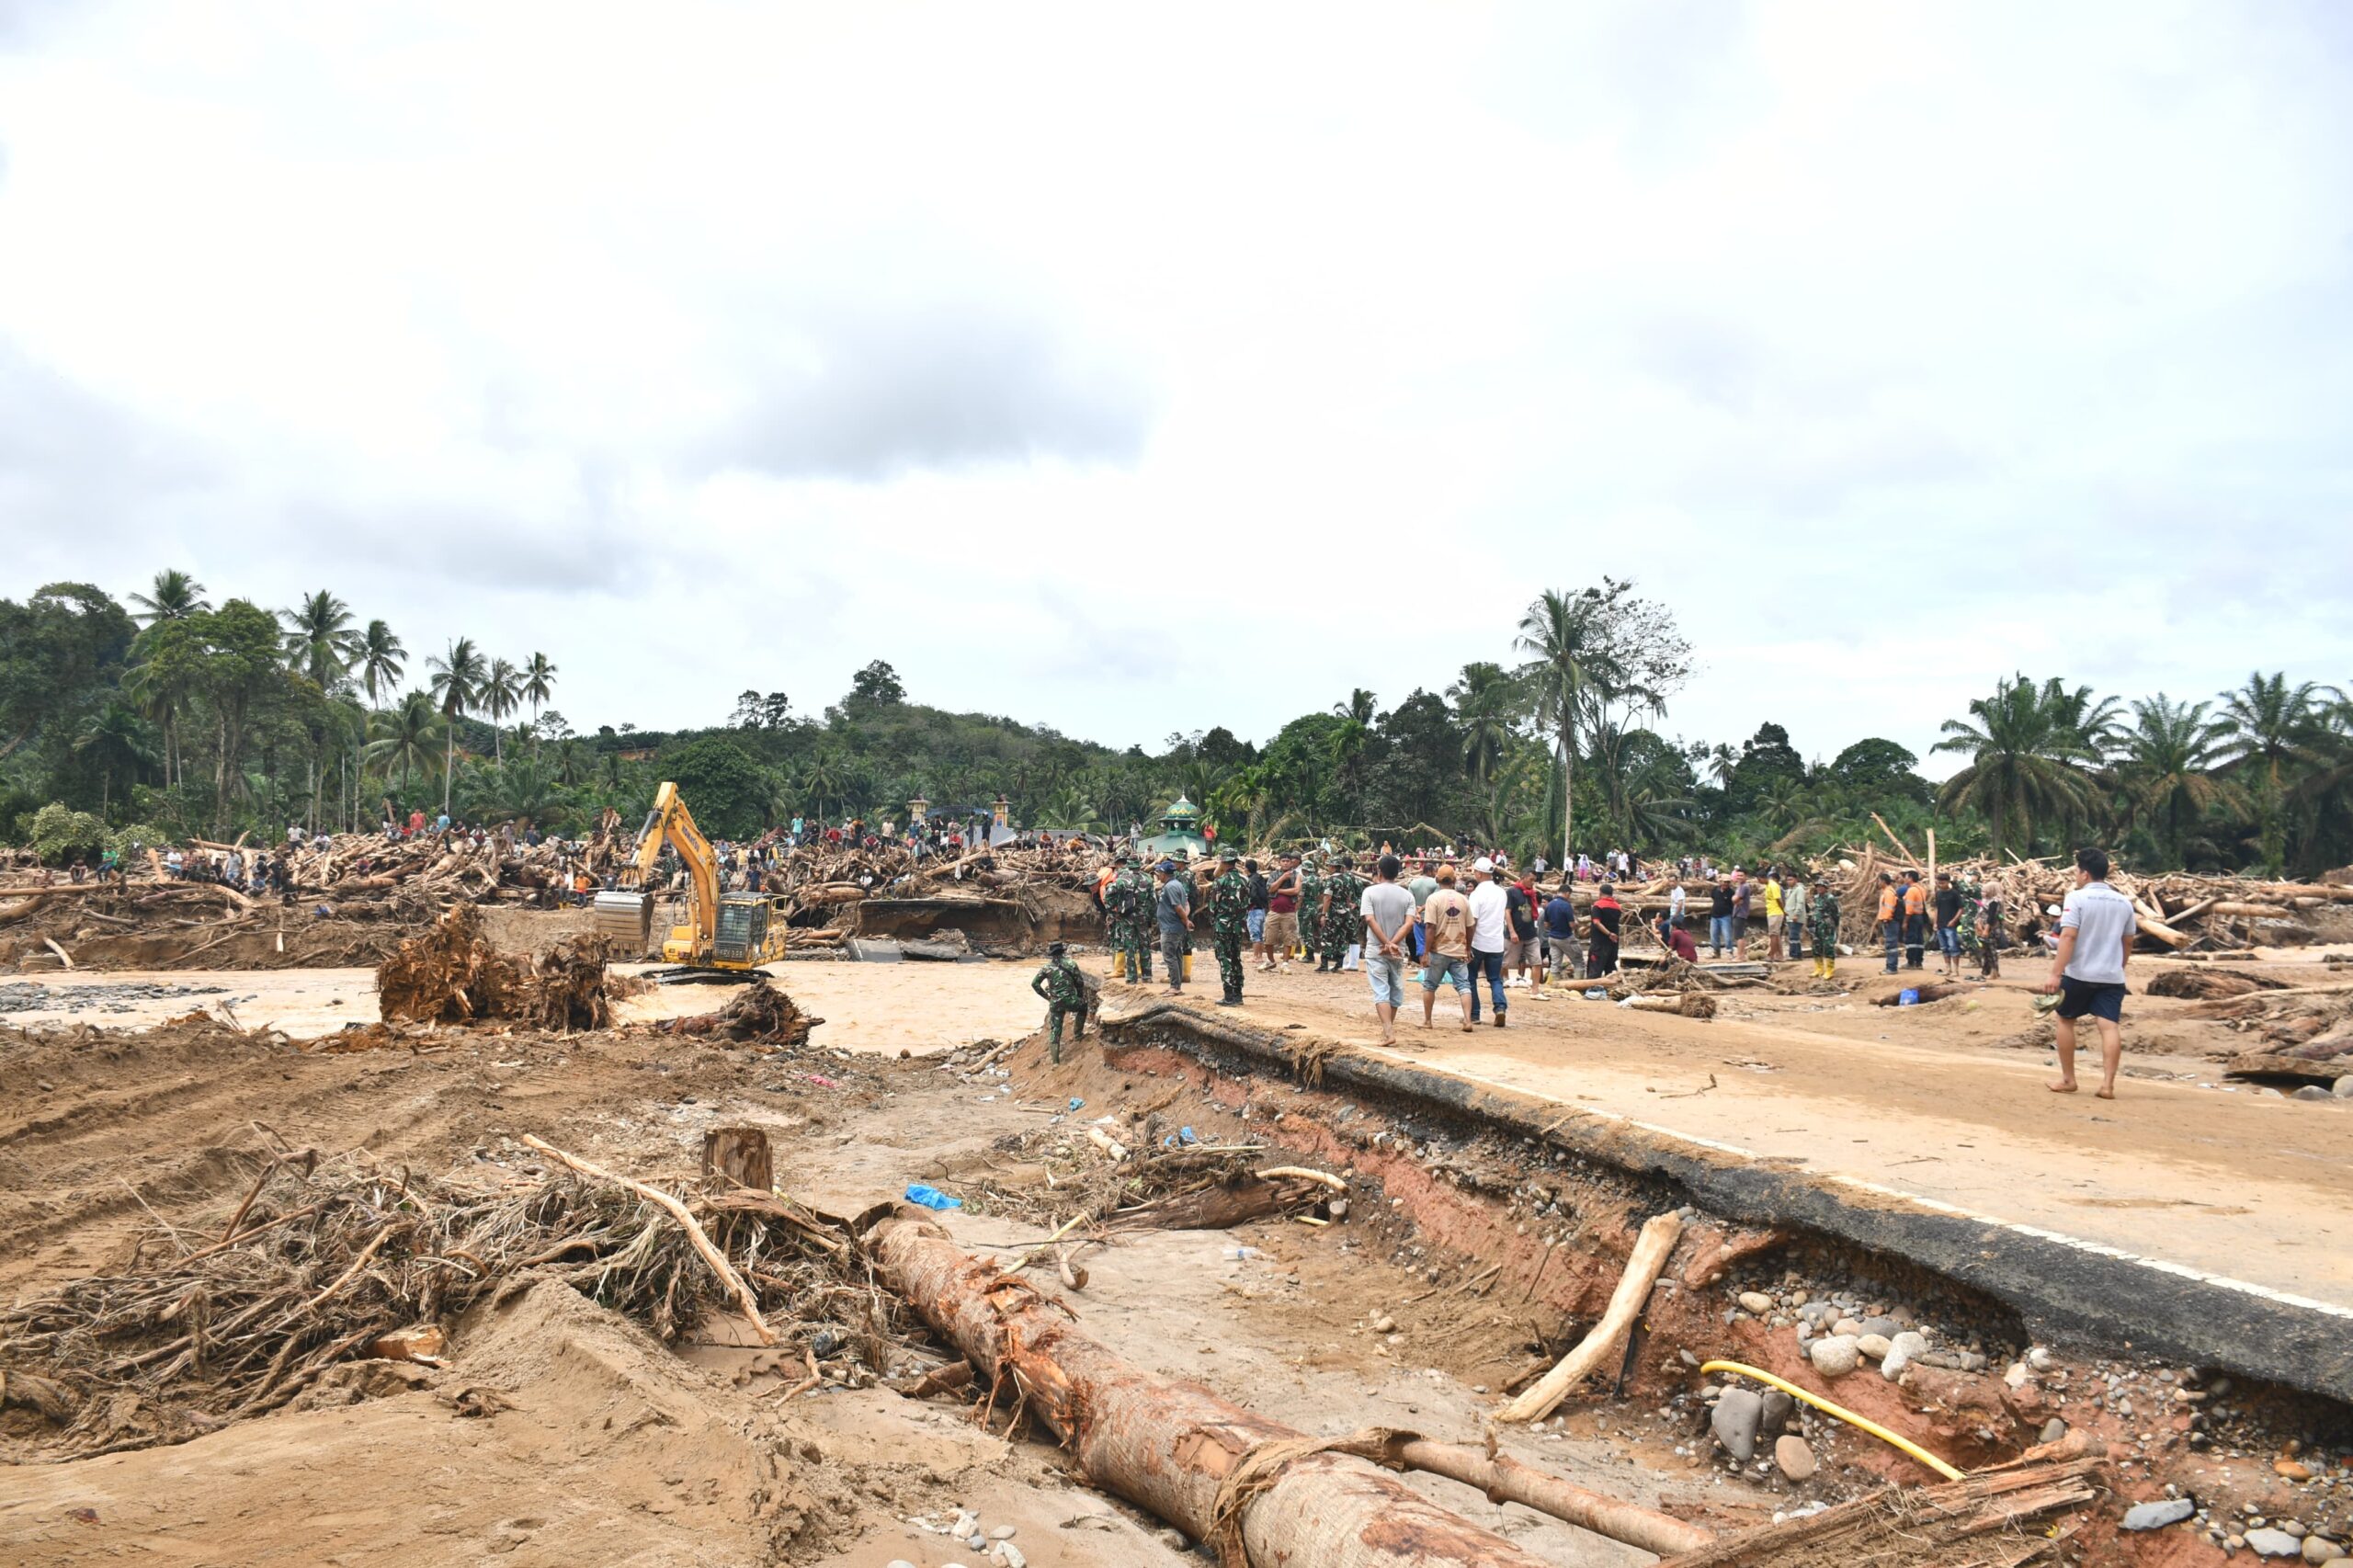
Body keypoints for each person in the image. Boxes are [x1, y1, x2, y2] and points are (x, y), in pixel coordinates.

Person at [2044, 847, 2136, 1098]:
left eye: (2076, 870)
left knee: (2065, 1019)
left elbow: (2069, 936)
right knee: (2109, 1027)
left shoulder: (2076, 898)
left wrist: (2055, 973)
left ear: (2084, 874)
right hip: (2111, 975)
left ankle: (2068, 1079)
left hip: (2079, 973)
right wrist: (2119, 966)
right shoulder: (2124, 902)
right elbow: (2128, 941)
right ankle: (2107, 1085)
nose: (2075, 875)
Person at [1358, 854, 1415, 1044]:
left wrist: (1385, 943)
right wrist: (1394, 944)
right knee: (1396, 989)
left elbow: (1369, 919)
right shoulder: (1407, 895)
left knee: (1381, 990)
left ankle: (1388, 1031)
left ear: (1379, 871)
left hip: (1376, 948)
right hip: (1398, 950)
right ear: (1398, 873)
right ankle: (1388, 1029)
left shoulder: (1370, 892)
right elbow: (1409, 924)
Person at [1417, 863, 1474, 1033]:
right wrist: (1468, 948)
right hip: (1458, 949)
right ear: (1454, 880)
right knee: (1464, 985)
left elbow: (1430, 927)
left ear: (1437, 879)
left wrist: (1425, 952)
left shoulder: (1433, 899)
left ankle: (1428, 1020)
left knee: (1429, 985)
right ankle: (1468, 1020)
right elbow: (1471, 926)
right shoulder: (1463, 899)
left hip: (1439, 950)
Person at [1466, 858, 1510, 1028]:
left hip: (1478, 942)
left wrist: (1467, 944)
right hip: (1496, 942)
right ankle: (1500, 1007)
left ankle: (1474, 1014)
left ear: (1479, 873)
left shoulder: (1477, 894)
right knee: (1495, 979)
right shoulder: (1501, 893)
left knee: (1471, 978)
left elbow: (1473, 922)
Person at [1029, 940, 1088, 1063]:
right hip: (1071, 1001)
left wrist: (1048, 997)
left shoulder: (1046, 968)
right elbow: (1080, 983)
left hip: (1055, 1003)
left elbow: (1034, 984)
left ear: (1051, 954)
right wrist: (1079, 997)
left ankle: (1055, 1062)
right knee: (1083, 1007)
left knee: (1056, 1030)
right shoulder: (1071, 964)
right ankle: (1078, 1035)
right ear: (1063, 952)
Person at [1209, 847, 1251, 1007]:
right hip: (1238, 926)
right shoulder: (1245, 880)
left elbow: (1213, 907)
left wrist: (1215, 921)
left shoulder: (1221, 881)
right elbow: (1247, 903)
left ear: (1224, 862)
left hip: (1223, 926)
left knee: (1224, 958)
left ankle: (1228, 995)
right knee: (1236, 958)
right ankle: (1238, 994)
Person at [1319, 855, 1364, 973]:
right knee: (1341, 938)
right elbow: (1349, 897)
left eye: (1329, 865)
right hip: (1346, 912)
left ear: (1333, 867)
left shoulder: (1331, 880)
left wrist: (1323, 914)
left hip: (1333, 912)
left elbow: (1327, 897)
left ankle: (1324, 964)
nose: (1328, 867)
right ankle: (1339, 965)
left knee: (1327, 936)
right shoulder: (1348, 879)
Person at [1154, 860, 1192, 996]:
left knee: (1170, 956)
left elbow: (1178, 907)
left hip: (1171, 928)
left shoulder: (1170, 887)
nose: (1157, 875)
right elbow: (1186, 904)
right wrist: (1186, 920)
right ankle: (1176, 985)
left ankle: (1175, 987)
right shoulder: (1178, 885)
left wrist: (1185, 920)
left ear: (1164, 874)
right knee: (1176, 955)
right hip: (1174, 926)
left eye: (1159, 872)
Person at [1263, 852, 1302, 973]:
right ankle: (1270, 961)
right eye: (1283, 861)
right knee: (1268, 938)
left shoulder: (1297, 875)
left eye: (1288, 861)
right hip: (1274, 911)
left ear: (1291, 863)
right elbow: (1270, 889)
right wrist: (1282, 878)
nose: (1285, 863)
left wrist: (1278, 890)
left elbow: (1296, 890)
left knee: (1289, 938)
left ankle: (1285, 963)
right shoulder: (1274, 874)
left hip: (1289, 912)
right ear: (1279, 862)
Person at [1541, 881, 1580, 987]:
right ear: (1567, 893)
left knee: (1555, 964)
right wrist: (1577, 924)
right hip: (1565, 937)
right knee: (1578, 962)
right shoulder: (1566, 905)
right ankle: (1578, 985)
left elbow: (1546, 925)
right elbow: (1572, 924)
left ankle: (1552, 986)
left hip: (1552, 937)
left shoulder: (1550, 905)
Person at [1588, 882, 1623, 975]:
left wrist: (1608, 934)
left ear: (1600, 893)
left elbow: (1596, 922)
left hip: (1599, 943)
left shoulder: (1598, 905)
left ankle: (1592, 988)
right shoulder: (1618, 907)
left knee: (1595, 971)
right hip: (1613, 944)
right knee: (1610, 970)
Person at [1933, 871, 1964, 976]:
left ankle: (1955, 970)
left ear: (1947, 882)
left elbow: (1961, 908)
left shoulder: (1954, 894)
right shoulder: (1938, 893)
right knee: (1944, 948)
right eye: (1939, 883)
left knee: (1953, 947)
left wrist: (1954, 920)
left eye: (1942, 883)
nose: (1940, 885)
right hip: (1941, 924)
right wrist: (1935, 922)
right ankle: (1948, 969)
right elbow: (1937, 909)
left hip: (1951, 925)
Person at [1811, 881, 1842, 980]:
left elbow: (1836, 912)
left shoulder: (1830, 898)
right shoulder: (1816, 898)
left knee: (1828, 946)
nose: (1819, 888)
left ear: (1826, 887)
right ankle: (1819, 968)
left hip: (1827, 925)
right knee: (1816, 946)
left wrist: (1835, 924)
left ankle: (1829, 970)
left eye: (1821, 886)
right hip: (1817, 924)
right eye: (1818, 886)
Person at [1243, 858, 1269, 966]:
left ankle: (1256, 957)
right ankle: (1260, 955)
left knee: (1255, 934)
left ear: (1246, 869)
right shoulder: (1260, 878)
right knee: (1260, 933)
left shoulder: (1251, 880)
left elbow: (1253, 895)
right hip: (1262, 909)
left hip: (1254, 909)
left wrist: (1248, 904)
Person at [1902, 869, 1929, 970]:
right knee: (1919, 940)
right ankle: (1919, 962)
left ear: (1910, 878)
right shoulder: (1921, 889)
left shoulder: (1911, 890)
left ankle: (1910, 962)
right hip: (1920, 916)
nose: (1904, 879)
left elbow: (1909, 909)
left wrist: (1905, 921)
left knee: (1911, 940)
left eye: (1906, 877)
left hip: (1913, 917)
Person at [1876, 873, 1902, 973]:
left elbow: (1889, 907)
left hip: (1890, 921)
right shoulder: (1887, 891)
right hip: (1888, 921)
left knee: (1891, 944)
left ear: (1883, 881)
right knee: (1889, 944)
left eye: (1879, 881)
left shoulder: (1888, 893)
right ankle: (1889, 966)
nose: (1878, 883)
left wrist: (1886, 919)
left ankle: (1892, 967)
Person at [1783, 870, 1808, 960]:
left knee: (1794, 936)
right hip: (1789, 916)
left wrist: (1796, 914)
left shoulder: (1799, 889)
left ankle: (1795, 954)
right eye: (1788, 880)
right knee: (1792, 936)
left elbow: (1800, 902)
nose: (1789, 881)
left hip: (1795, 917)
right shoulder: (1790, 890)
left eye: (1791, 879)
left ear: (1796, 880)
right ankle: (1796, 954)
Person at [1707, 877, 1734, 958]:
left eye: (1728, 882)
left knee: (1727, 935)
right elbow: (1713, 898)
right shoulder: (1715, 890)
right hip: (1714, 916)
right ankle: (1716, 952)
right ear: (1720, 882)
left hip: (1725, 916)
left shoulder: (1731, 892)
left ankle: (1730, 951)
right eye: (1724, 882)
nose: (1726, 884)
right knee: (1713, 935)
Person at [1762, 870, 1784, 961]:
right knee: (1776, 934)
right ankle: (1780, 955)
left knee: (1773, 935)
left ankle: (1772, 955)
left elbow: (1779, 899)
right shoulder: (1768, 886)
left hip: (1775, 912)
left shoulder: (1773, 885)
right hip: (1771, 911)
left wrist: (1783, 910)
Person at [1729, 874, 1752, 961]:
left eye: (1741, 876)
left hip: (1740, 913)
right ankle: (1741, 955)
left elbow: (1735, 899)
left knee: (1739, 935)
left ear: (1746, 876)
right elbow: (1736, 899)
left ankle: (1740, 956)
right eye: (1738, 876)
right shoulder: (1740, 887)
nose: (1739, 877)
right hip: (1738, 913)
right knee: (1739, 935)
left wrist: (1734, 899)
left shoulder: (1744, 887)